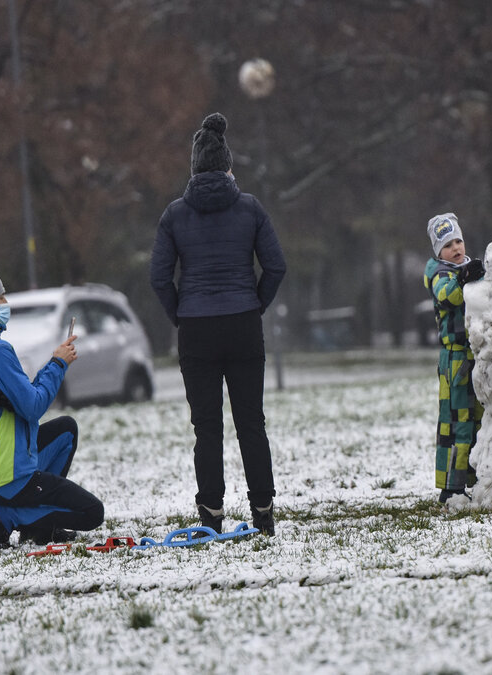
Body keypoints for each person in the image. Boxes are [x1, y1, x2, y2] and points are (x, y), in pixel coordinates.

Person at [150, 112, 286, 535]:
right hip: (243, 323)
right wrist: (255, 304)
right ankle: (262, 510)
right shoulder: (250, 208)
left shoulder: (174, 215)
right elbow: (276, 266)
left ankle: (211, 511)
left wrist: (180, 312)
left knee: (206, 426)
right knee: (251, 422)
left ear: (193, 168)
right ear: (228, 166)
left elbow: (159, 277)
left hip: (196, 330)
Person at [0, 267, 104, 549]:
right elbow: (33, 407)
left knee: (65, 430)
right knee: (93, 512)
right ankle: (3, 516)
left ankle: (37, 524)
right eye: (1, 298)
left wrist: (54, 361)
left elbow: (21, 398)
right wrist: (59, 364)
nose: (6, 305)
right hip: (8, 475)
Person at [423, 213, 486, 503]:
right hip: (455, 360)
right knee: (456, 423)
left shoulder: (472, 268)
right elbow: (449, 296)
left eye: (458, 240)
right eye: (448, 244)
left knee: (477, 420)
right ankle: (451, 487)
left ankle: (472, 479)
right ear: (439, 252)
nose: (456, 248)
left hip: (478, 356)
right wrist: (463, 278)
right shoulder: (440, 274)